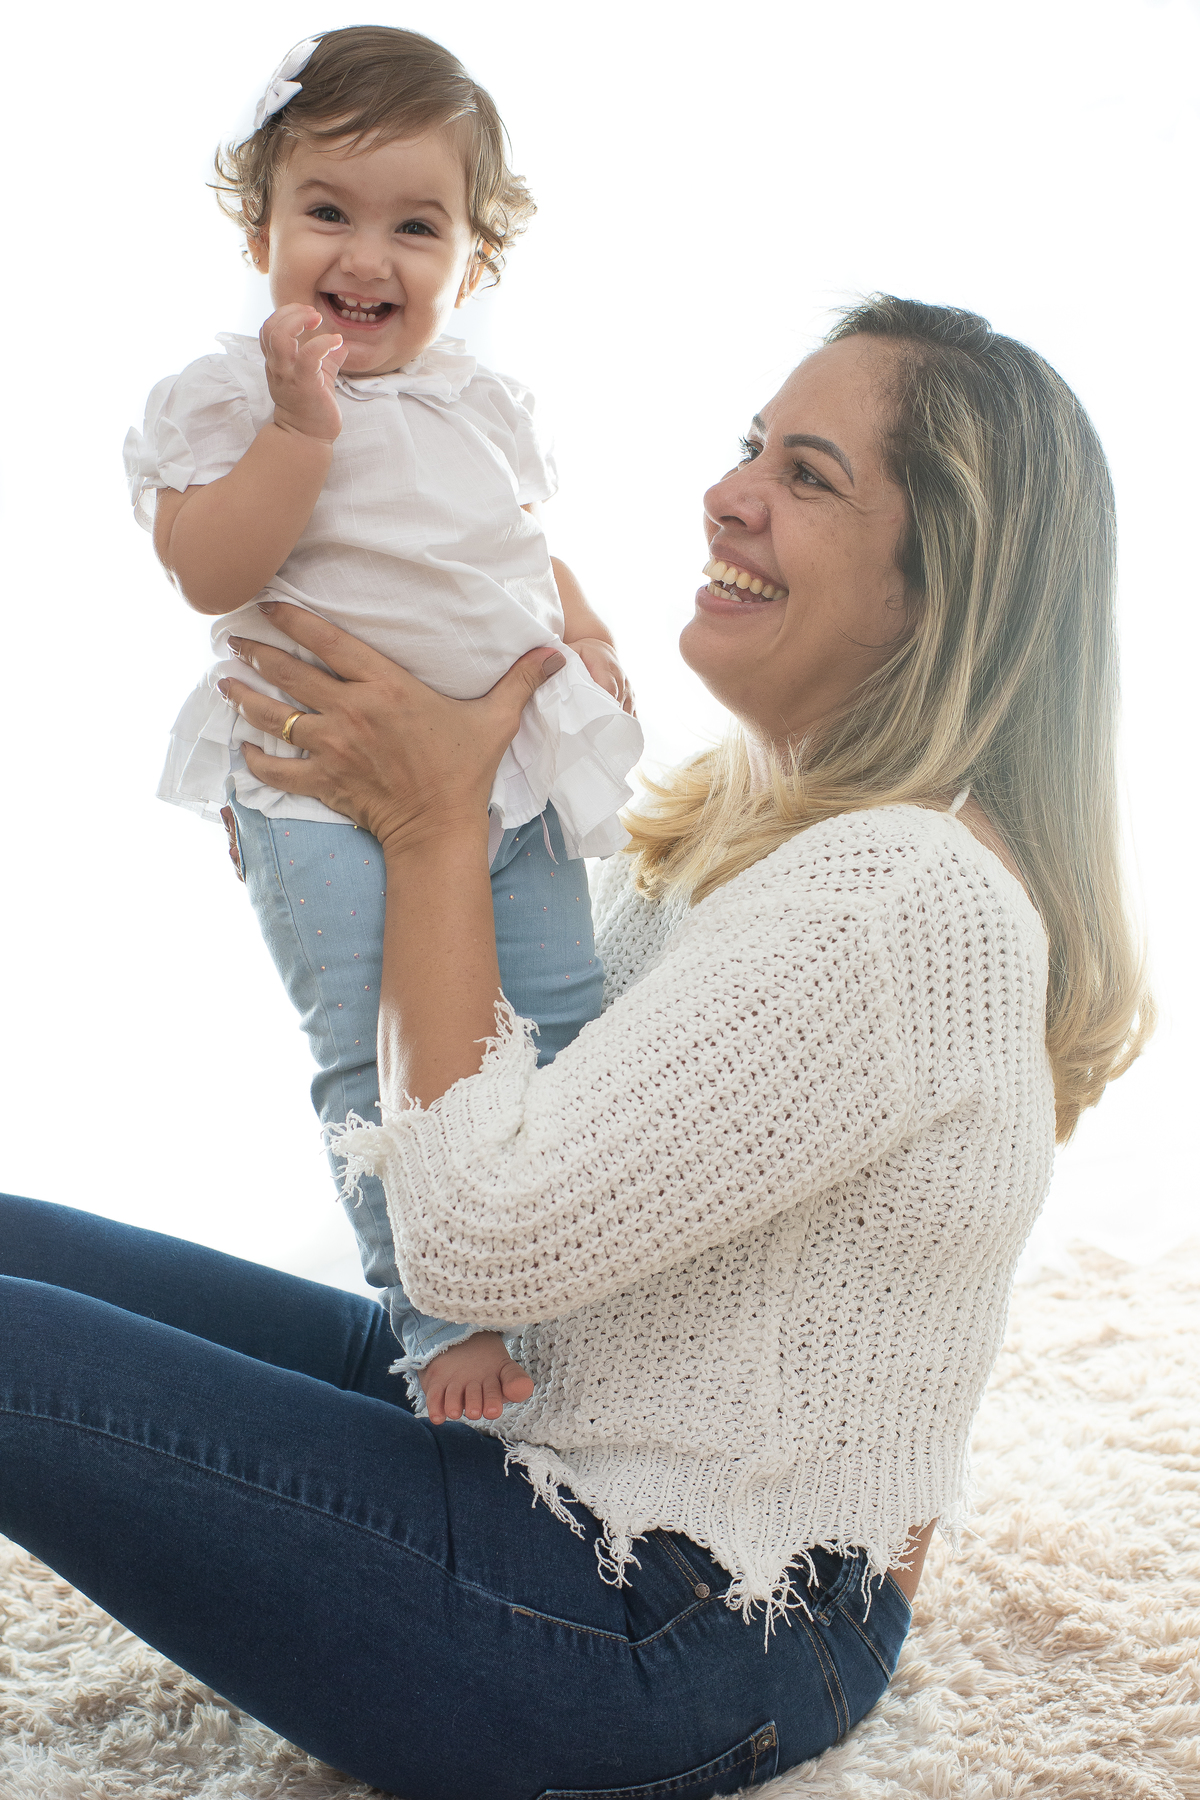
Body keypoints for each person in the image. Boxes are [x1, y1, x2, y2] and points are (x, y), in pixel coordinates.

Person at [3, 298, 1151, 1796]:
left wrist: (428, 832)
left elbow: (471, 1238)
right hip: (553, 1430)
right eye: (754, 446)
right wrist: (355, 861)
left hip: (666, 1630)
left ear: (944, 591)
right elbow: (507, 1125)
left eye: (809, 476)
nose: (729, 492)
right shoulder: (769, 835)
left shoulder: (897, 896)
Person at [122, 26, 643, 1426]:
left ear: (473, 262)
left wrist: (585, 640)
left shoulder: (473, 403)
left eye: (416, 225)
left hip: (507, 776)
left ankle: (581, 1292)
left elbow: (515, 551)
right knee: (377, 1051)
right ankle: (440, 1319)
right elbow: (210, 571)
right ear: (261, 229)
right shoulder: (230, 399)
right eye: (328, 214)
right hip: (320, 795)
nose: (368, 256)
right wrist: (300, 428)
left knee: (559, 1026)